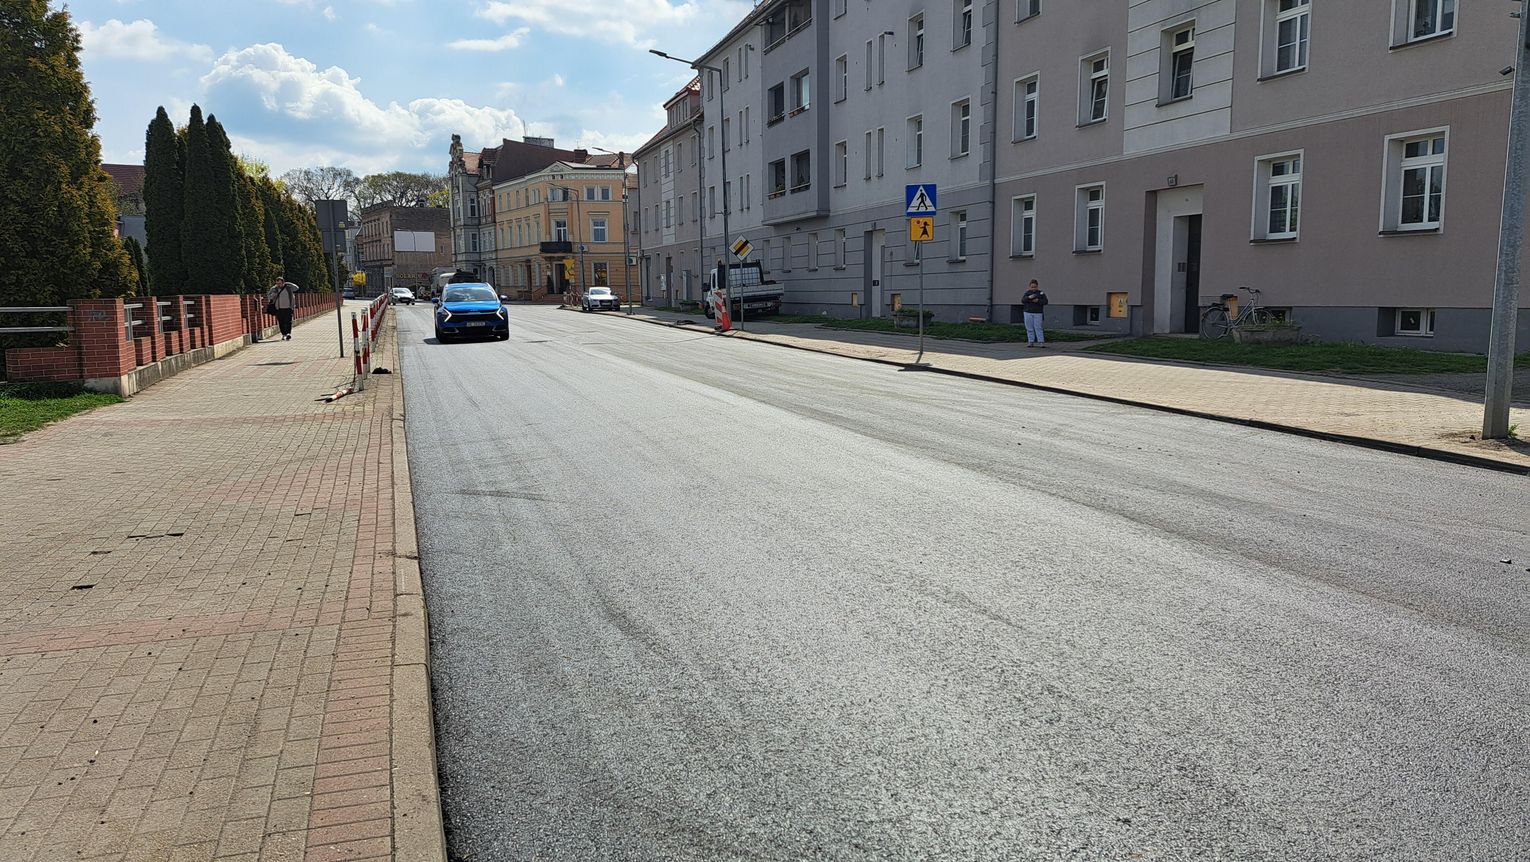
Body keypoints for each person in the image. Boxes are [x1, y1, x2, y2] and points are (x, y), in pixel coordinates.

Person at [266, 277, 298, 341]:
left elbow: (296, 288)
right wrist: (273, 295)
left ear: (283, 282)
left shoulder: (288, 288)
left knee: (288, 321)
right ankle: (283, 334)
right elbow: (269, 296)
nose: (278, 285)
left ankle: (288, 333)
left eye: (280, 283)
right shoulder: (274, 289)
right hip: (279, 308)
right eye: (277, 283)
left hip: (289, 307)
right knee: (281, 322)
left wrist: (288, 283)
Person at [1021, 279, 1048, 347]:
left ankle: (1041, 342)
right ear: (1029, 287)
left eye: (1035, 287)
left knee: (1038, 327)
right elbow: (1023, 300)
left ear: (1037, 286)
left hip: (1038, 313)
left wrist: (1038, 301)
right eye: (1032, 287)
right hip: (1027, 312)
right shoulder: (1027, 293)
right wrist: (1028, 297)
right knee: (1029, 327)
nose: (1033, 288)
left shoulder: (1041, 293)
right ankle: (1031, 341)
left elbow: (1045, 301)